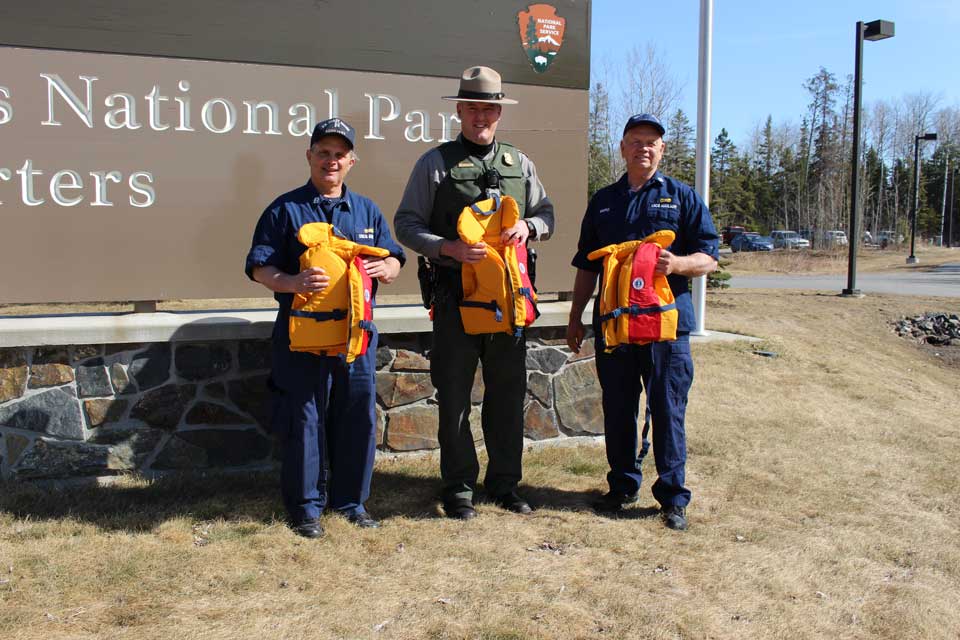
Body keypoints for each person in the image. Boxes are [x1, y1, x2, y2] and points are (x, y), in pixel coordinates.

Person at [394, 66, 555, 520]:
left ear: (499, 112)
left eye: (489, 108)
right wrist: (446, 247)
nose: (481, 116)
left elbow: (547, 214)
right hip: (454, 301)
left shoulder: (520, 164)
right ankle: (458, 487)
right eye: (473, 108)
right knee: (454, 399)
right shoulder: (435, 164)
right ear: (460, 110)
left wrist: (529, 226)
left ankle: (505, 484)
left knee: (506, 397)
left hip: (508, 302)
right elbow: (406, 223)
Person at [245, 118, 405, 538]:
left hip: (357, 339)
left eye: (339, 154)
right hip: (303, 339)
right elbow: (261, 267)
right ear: (309, 156)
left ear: (352, 161)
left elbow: (394, 258)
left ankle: (351, 501)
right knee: (305, 421)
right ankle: (305, 509)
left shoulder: (367, 210)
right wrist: (291, 283)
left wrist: (388, 266)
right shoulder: (285, 209)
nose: (330, 161)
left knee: (357, 420)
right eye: (323, 153)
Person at [566, 113, 719, 531]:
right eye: (635, 141)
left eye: (651, 142)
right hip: (614, 326)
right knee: (618, 409)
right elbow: (586, 265)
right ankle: (621, 487)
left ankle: (672, 497)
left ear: (662, 149)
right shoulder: (603, 201)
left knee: (668, 409)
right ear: (622, 147)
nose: (643, 148)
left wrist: (680, 263)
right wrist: (577, 315)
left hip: (666, 329)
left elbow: (710, 255)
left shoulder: (681, 197)